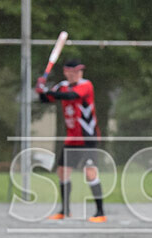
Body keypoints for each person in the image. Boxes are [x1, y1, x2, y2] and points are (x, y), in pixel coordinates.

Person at [35, 58, 106, 222]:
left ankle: (100, 213)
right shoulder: (61, 86)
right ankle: (65, 210)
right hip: (72, 138)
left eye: (79, 71)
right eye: (73, 71)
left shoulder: (86, 85)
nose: (77, 74)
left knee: (90, 173)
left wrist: (47, 90)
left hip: (88, 137)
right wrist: (40, 90)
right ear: (66, 72)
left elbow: (71, 95)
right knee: (62, 172)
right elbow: (46, 100)